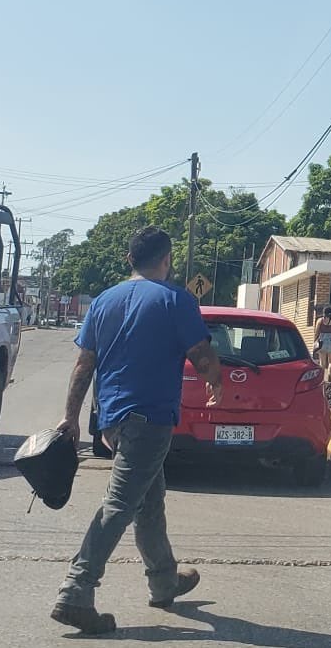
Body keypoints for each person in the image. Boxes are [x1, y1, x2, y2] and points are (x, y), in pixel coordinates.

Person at [50, 226, 224, 635]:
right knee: (120, 505)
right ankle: (76, 590)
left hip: (112, 421)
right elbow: (200, 354)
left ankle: (164, 579)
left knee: (150, 499)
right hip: (150, 420)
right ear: (166, 259)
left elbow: (83, 364)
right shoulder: (175, 298)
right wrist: (216, 378)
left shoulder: (104, 301)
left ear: (129, 259)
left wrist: (71, 417)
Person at [313, 305, 331, 382]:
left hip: (322, 341)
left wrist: (315, 341)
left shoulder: (320, 320)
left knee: (322, 362)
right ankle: (329, 375)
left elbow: (316, 332)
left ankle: (321, 378)